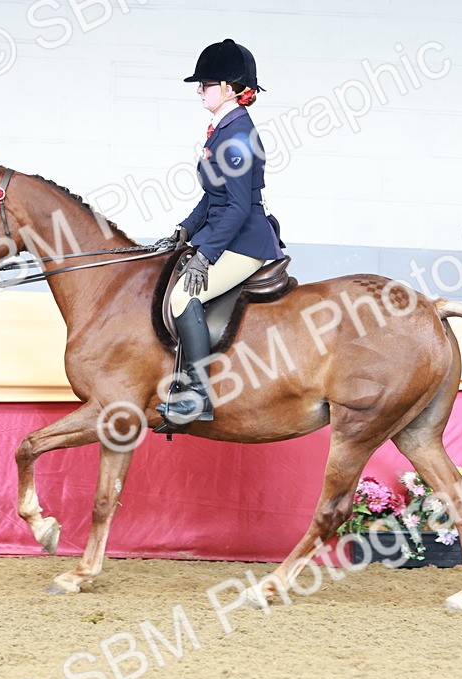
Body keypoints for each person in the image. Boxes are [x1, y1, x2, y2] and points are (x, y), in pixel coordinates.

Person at [155, 38, 284, 426]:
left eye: (206, 84)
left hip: (246, 242)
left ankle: (197, 394)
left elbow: (238, 207)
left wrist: (205, 255)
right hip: (228, 231)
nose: (199, 91)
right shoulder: (222, 130)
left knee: (182, 297)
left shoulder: (238, 136)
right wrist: (185, 230)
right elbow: (213, 197)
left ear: (229, 88)